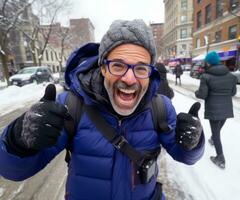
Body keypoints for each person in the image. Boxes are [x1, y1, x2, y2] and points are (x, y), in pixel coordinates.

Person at [0, 19, 205, 200]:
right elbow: (11, 170)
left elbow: (186, 156)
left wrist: (192, 142)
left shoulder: (161, 107)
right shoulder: (71, 106)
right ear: (103, 67)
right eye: (118, 65)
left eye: (141, 68)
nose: (129, 78)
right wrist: (19, 140)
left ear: (149, 74)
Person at [195, 51, 237, 169]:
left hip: (213, 109)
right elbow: (233, 93)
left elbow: (202, 94)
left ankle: (220, 158)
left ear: (208, 62)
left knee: (216, 132)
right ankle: (213, 139)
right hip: (227, 108)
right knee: (217, 130)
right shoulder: (231, 76)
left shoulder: (206, 76)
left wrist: (197, 93)